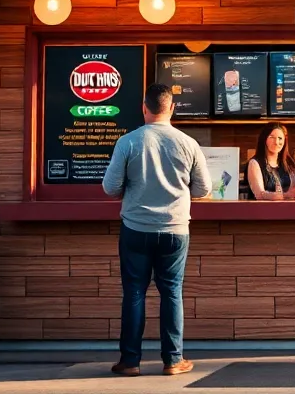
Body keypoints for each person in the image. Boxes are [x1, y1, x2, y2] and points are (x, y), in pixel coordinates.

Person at [102, 83, 210, 377]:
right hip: (175, 230)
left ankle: (130, 361)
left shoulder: (128, 142)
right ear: (172, 108)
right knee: (172, 292)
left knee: (134, 293)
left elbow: (111, 188)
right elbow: (204, 188)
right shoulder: (188, 143)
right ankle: (173, 360)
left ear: (144, 107)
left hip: (136, 229)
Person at [246, 122, 295, 200]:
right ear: (264, 139)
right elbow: (260, 194)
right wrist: (286, 195)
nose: (276, 142)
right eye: (272, 137)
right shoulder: (255, 163)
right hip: (262, 210)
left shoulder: (287, 163)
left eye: (280, 138)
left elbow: (294, 190)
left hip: (286, 209)